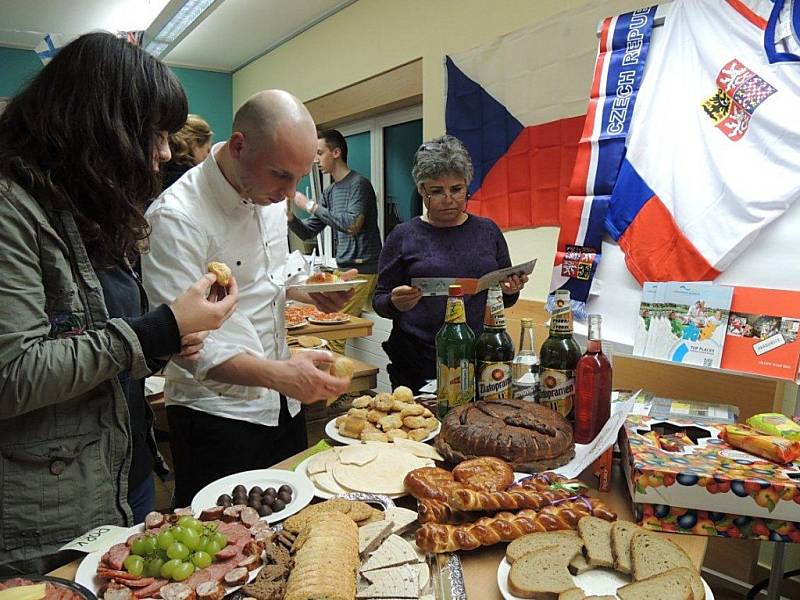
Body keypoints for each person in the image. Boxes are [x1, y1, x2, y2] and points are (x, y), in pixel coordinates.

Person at [0, 32, 238, 575]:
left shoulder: (89, 208)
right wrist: (156, 331)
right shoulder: (11, 211)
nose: (162, 152)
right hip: (46, 510)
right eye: (154, 133)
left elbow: (96, 335)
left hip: (122, 474)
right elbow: (11, 373)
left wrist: (166, 340)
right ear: (97, 127)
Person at [142, 90, 353, 508]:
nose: (289, 192)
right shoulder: (176, 218)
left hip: (282, 406)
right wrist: (279, 374)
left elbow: (269, 274)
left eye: (298, 178)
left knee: (291, 525)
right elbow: (189, 349)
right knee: (225, 548)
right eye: (280, 176)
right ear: (239, 146)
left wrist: (310, 289)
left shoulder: (269, 194)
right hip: (216, 417)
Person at [373, 135, 528, 392]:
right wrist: (393, 302)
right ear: (422, 191)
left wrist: (511, 291)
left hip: (479, 356)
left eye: (456, 189)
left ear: (467, 186)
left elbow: (502, 297)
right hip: (417, 359)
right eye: (436, 191)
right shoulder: (402, 235)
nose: (448, 199)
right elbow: (379, 300)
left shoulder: (487, 231)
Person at [288, 130, 382, 353]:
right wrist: (289, 217)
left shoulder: (360, 184)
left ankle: (336, 388)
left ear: (336, 152)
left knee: (333, 333)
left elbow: (351, 225)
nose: (315, 160)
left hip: (363, 270)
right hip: (343, 270)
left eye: (319, 153)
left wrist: (310, 205)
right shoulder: (330, 191)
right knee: (325, 326)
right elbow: (309, 232)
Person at [162, 114, 213, 190]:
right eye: (207, 151)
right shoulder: (193, 181)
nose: (207, 157)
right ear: (194, 144)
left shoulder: (159, 172)